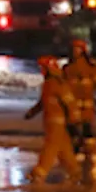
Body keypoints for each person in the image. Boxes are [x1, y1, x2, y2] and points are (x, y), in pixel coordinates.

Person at [25, 55, 81, 184]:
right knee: (64, 148)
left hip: (57, 123)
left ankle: (40, 172)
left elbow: (70, 102)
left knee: (51, 146)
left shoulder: (58, 83)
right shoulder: (49, 84)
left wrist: (75, 119)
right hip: (52, 122)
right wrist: (32, 112)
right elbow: (43, 102)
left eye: (43, 68)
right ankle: (75, 172)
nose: (42, 70)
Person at [63, 37, 96, 157]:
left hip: (86, 103)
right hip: (73, 103)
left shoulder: (91, 67)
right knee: (72, 126)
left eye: (77, 49)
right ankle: (76, 145)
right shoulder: (67, 68)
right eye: (73, 49)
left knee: (87, 127)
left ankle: (86, 148)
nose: (75, 51)